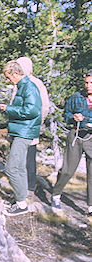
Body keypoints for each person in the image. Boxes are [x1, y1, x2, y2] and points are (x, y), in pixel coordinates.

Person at [0, 60, 42, 216]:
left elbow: (32, 110)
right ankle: (22, 200)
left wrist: (9, 109)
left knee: (11, 169)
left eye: (8, 77)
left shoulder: (29, 87)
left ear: (15, 73)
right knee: (20, 168)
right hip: (22, 131)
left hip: (24, 133)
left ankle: (21, 205)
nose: (7, 80)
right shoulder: (23, 86)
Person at [51, 70, 92, 218]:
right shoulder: (76, 97)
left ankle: (90, 207)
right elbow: (66, 114)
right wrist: (73, 117)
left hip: (91, 138)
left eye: (91, 83)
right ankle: (56, 195)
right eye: (86, 82)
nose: (88, 86)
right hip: (76, 135)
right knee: (68, 169)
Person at [15, 57, 50, 199]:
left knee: (29, 158)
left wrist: (37, 123)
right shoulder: (18, 83)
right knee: (19, 159)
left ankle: (29, 188)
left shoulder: (36, 83)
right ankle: (20, 188)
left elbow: (44, 107)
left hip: (30, 127)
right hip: (18, 128)